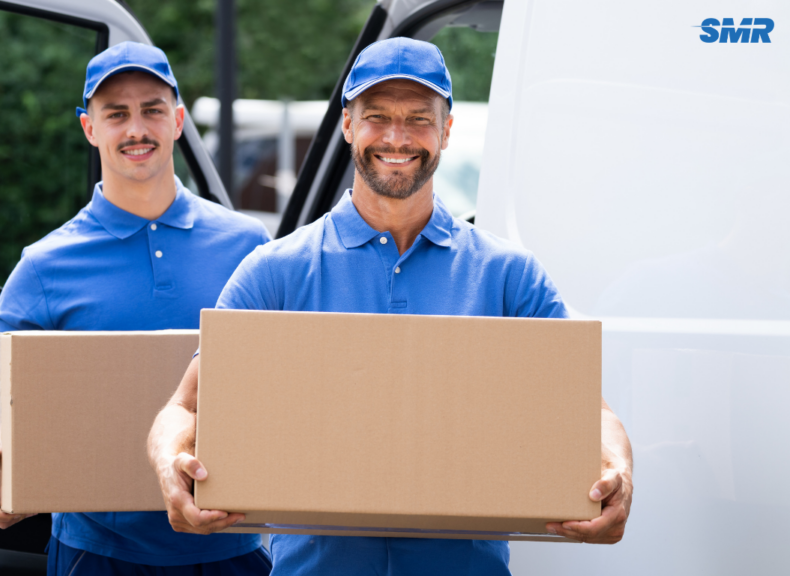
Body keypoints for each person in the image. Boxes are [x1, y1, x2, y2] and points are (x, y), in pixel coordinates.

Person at [148, 37, 634, 575]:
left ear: (447, 130)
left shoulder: (507, 276)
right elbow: (186, 408)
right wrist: (172, 464)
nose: (397, 138)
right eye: (377, 116)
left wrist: (618, 472)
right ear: (348, 125)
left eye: (419, 119)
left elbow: (590, 411)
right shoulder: (275, 273)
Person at [0, 42, 273, 576]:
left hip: (232, 548)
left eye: (151, 110)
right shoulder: (45, 266)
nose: (136, 129)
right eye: (116, 114)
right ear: (89, 128)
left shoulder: (248, 245)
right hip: (97, 554)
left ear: (176, 121)